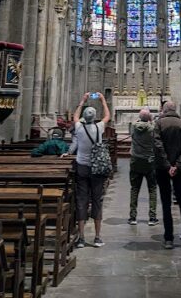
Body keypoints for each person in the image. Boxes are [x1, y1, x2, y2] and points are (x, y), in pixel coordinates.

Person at [153, 100, 181, 249]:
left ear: (164, 110)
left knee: (166, 204)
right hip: (180, 169)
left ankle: (169, 238)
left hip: (162, 169)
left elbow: (157, 146)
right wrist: (177, 165)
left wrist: (167, 165)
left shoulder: (159, 124)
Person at [72, 91, 111, 249]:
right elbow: (107, 116)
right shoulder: (99, 127)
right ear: (94, 117)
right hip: (96, 169)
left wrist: (82, 100)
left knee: (81, 201)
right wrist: (103, 101)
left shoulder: (79, 127)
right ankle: (97, 237)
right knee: (96, 201)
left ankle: (81, 238)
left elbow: (75, 117)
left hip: (81, 168)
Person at [128, 108, 158, 226]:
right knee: (152, 189)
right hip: (149, 160)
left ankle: (133, 217)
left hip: (136, 160)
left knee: (134, 188)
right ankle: (152, 217)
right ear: (149, 118)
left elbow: (135, 124)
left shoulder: (133, 127)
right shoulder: (152, 129)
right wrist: (151, 120)